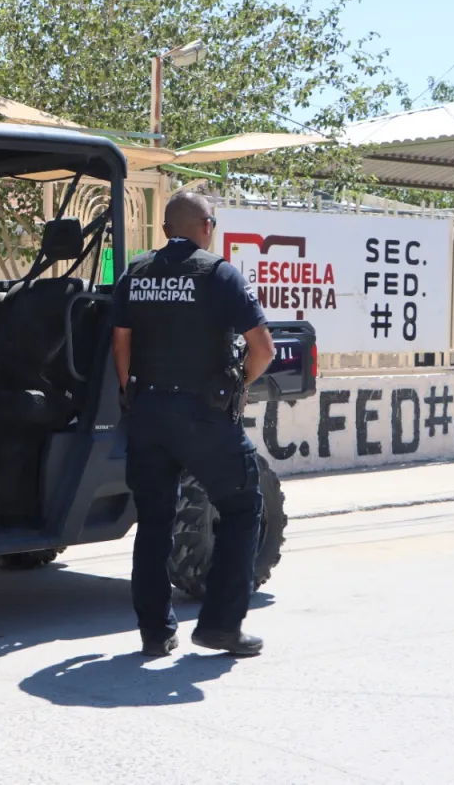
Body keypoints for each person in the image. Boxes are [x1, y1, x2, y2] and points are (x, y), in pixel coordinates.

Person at [110, 191, 274, 658]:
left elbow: (121, 344)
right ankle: (221, 626)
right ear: (206, 227)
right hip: (204, 416)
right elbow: (262, 349)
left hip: (148, 412)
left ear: (164, 231)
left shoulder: (135, 274)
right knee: (243, 508)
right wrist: (237, 384)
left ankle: (155, 633)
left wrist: (131, 393)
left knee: (154, 520)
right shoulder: (218, 273)